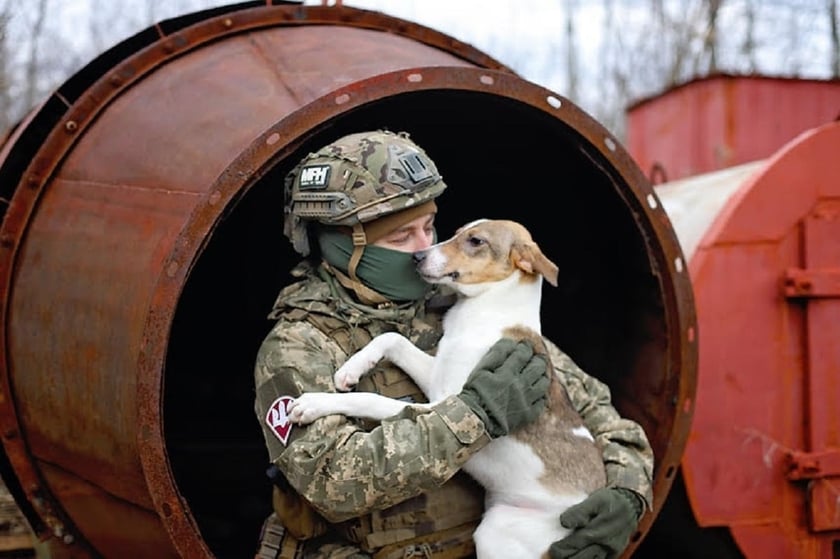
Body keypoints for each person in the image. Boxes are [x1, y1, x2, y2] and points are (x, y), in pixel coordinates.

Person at [253, 129, 654, 559]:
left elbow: (597, 416)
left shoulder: (464, 309)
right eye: (401, 237)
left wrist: (628, 494)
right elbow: (334, 482)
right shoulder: (300, 344)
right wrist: (471, 417)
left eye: (428, 226)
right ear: (342, 245)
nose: (426, 247)